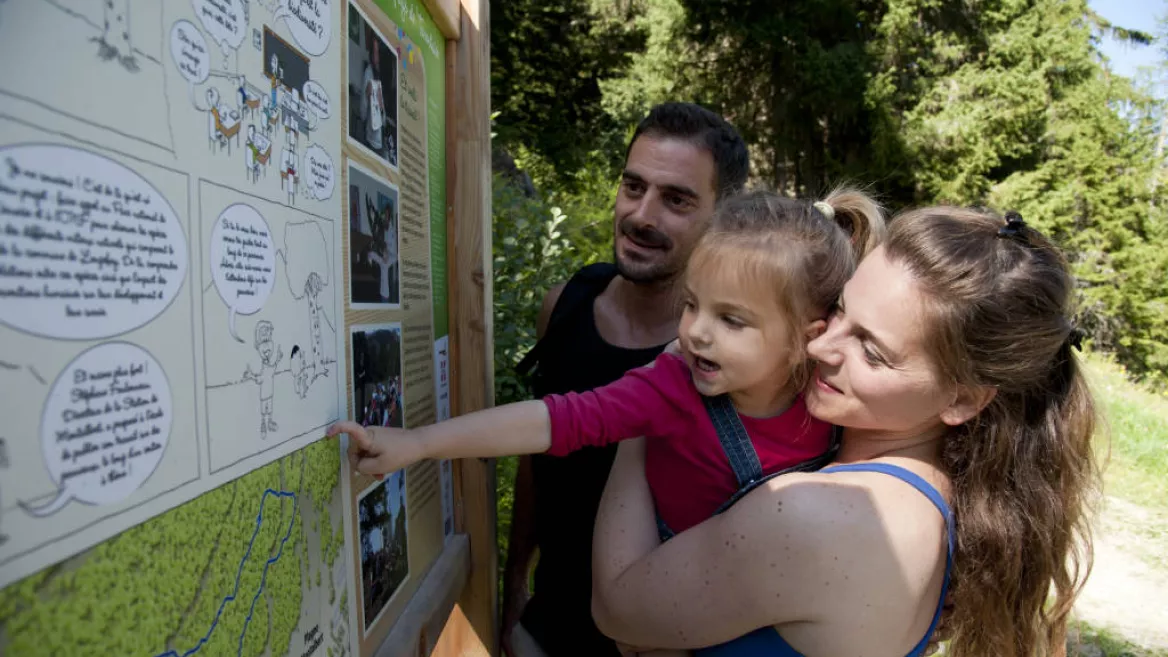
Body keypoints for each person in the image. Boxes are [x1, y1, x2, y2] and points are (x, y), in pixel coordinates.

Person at [588, 209, 1099, 657]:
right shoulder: (950, 495)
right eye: (839, 310)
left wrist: (647, 412)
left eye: (872, 352)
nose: (820, 349)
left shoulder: (820, 515)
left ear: (962, 399)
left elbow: (616, 606)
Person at [329, 187, 884, 529]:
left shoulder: (836, 402)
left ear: (806, 339)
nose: (695, 334)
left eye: (731, 320)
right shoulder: (671, 385)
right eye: (691, 306)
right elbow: (554, 419)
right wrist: (421, 443)